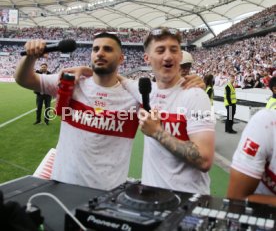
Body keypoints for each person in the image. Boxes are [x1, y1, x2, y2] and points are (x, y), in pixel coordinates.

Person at [14, 34, 204, 191]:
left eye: (108, 49)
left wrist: (193, 83)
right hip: (62, 184)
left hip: (108, 194)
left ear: (121, 58)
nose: (100, 53)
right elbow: (25, 80)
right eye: (96, 49)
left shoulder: (136, 94)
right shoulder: (73, 82)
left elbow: (170, 90)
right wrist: (30, 56)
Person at [119, 27, 215, 194]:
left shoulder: (196, 96)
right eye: (160, 50)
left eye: (174, 50)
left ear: (179, 55)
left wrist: (157, 132)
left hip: (187, 200)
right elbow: (116, 77)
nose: (168, 56)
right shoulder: (145, 90)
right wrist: (84, 71)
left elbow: (204, 160)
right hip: (151, 197)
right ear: (147, 58)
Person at [227, 109, 276, 206]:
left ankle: (229, 128)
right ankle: (228, 128)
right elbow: (235, 199)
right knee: (230, 116)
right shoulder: (266, 122)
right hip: (258, 215)